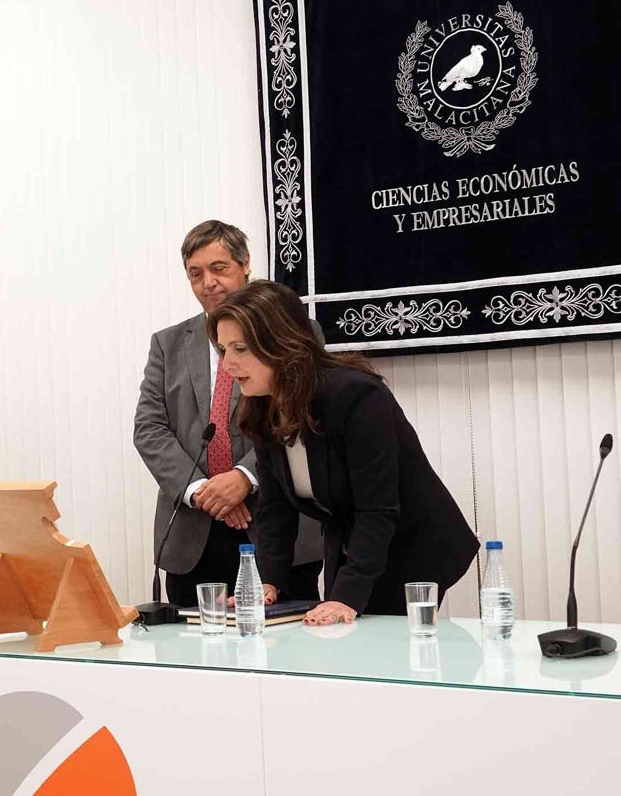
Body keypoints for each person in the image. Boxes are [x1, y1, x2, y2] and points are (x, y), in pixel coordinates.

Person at [208, 281, 478, 624]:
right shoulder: (263, 407)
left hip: (410, 542)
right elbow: (276, 509)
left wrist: (347, 597)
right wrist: (266, 580)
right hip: (352, 539)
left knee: (381, 653)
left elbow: (377, 507)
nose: (227, 365)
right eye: (223, 349)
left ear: (281, 342)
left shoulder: (357, 396)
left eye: (240, 348)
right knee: (336, 636)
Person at [134, 220, 323, 607]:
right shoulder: (168, 345)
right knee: (194, 658)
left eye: (219, 268)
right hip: (193, 536)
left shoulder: (295, 331)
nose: (209, 283)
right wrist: (204, 492)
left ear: (245, 264)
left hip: (276, 526)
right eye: (195, 274)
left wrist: (244, 477)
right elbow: (149, 429)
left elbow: (303, 415)